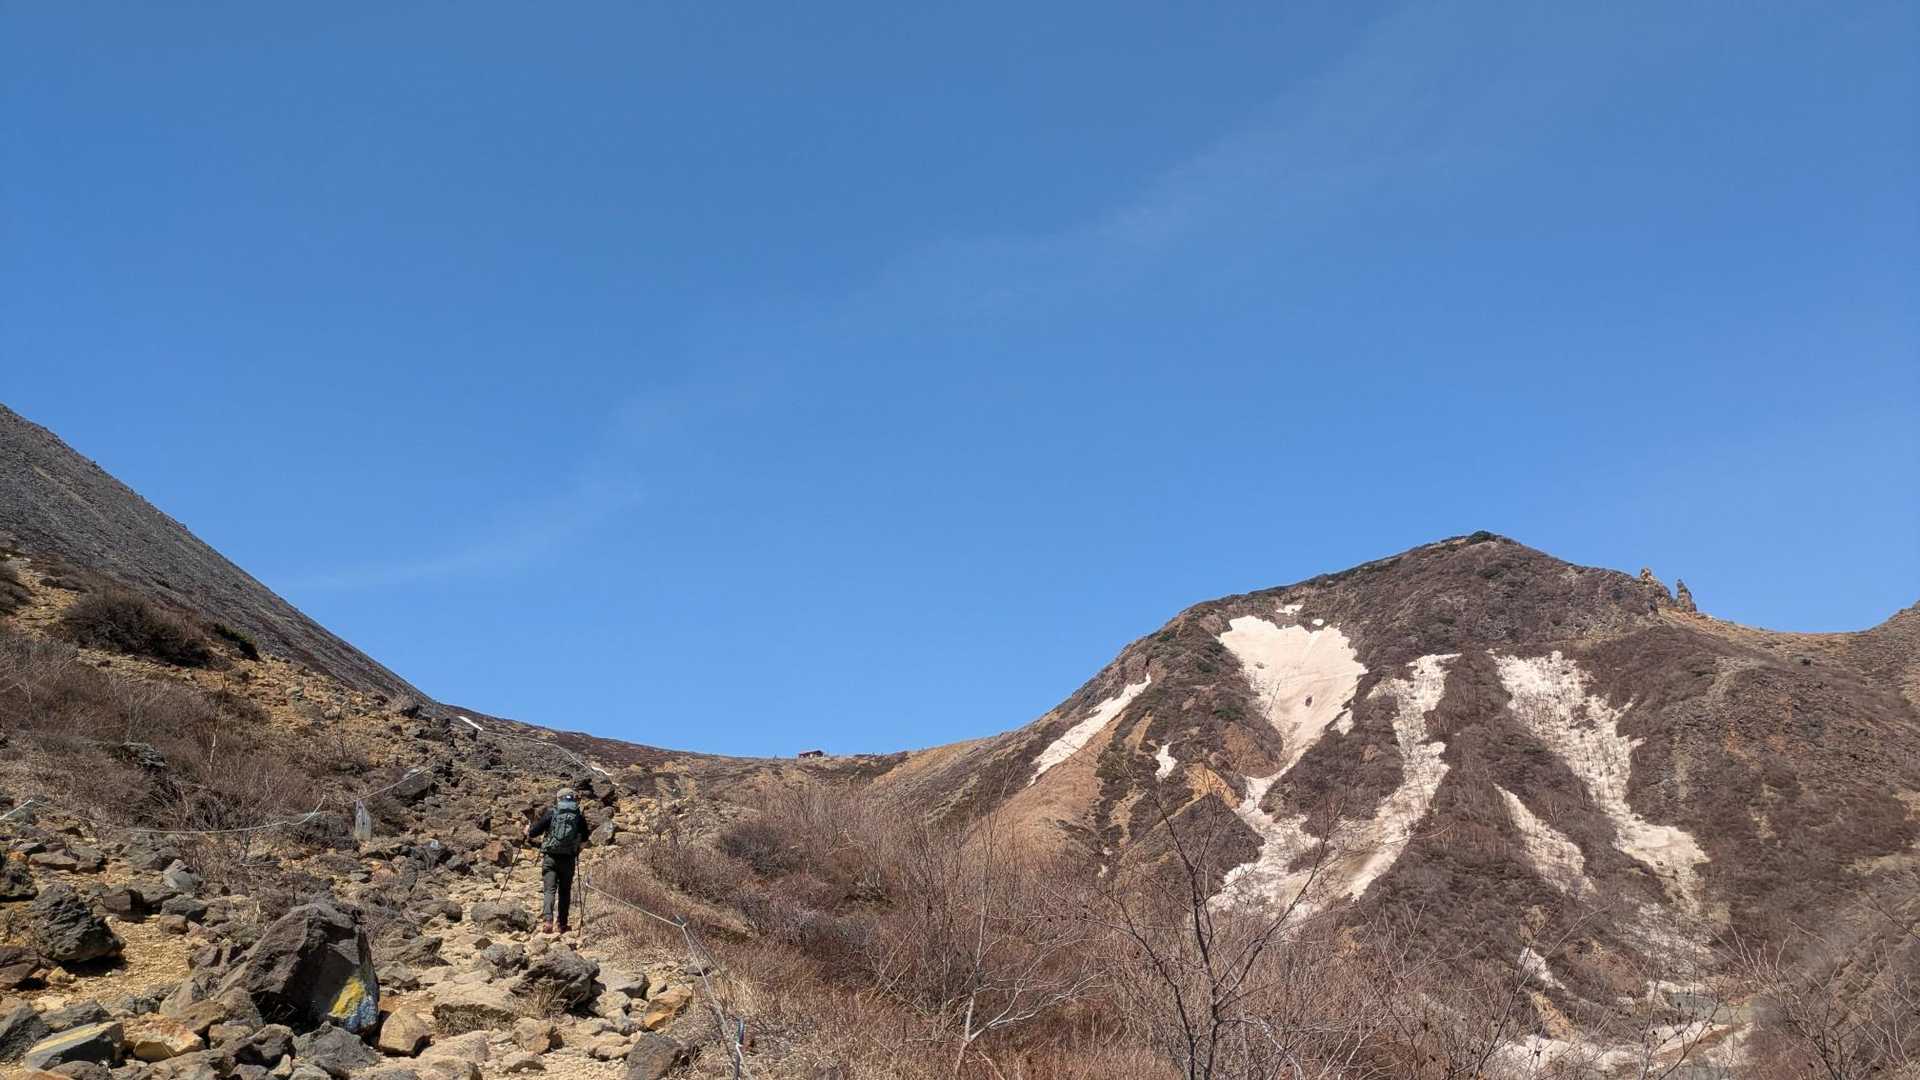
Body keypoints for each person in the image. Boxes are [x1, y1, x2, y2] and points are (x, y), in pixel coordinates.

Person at [524, 787, 587, 934]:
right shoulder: (578, 816)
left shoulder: (552, 812)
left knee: (549, 890)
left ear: (559, 799)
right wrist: (576, 851)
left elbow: (533, 833)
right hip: (568, 859)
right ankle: (562, 924)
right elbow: (585, 838)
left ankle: (548, 921)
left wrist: (527, 830)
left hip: (550, 857)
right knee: (565, 891)